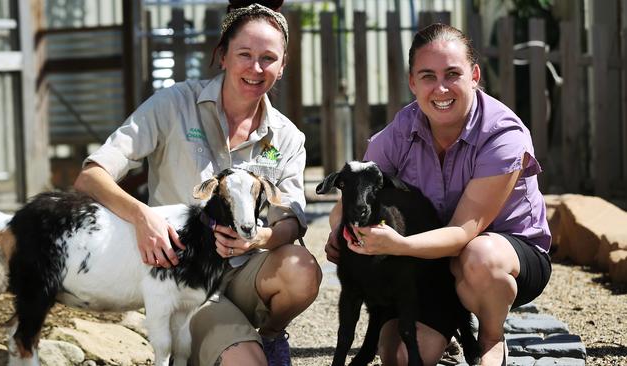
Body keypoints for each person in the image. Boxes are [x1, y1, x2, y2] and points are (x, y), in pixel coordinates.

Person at [74, 1, 322, 365]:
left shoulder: (288, 137)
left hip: (246, 271)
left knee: (302, 270)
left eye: (269, 58)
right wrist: (144, 218)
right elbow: (91, 176)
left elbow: (292, 219)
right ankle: (225, 342)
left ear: (282, 66)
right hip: (185, 276)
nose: (256, 68)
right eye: (244, 54)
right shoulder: (173, 104)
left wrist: (260, 238)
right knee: (245, 363)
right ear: (221, 55)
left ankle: (269, 335)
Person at [325, 23, 551, 366]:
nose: (441, 88)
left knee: (480, 256)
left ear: (474, 75)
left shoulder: (503, 134)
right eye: (428, 76)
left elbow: (463, 232)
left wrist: (396, 245)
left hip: (501, 258)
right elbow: (353, 195)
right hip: (429, 265)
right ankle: (445, 332)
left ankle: (490, 338)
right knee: (398, 357)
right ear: (412, 82)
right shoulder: (401, 130)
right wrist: (341, 229)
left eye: (452, 74)